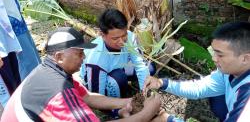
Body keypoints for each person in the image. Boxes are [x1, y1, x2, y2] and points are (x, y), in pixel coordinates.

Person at [1, 27, 161, 122]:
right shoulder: (58, 92)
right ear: (59, 57)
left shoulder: (50, 71)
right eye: (79, 53)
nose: (84, 57)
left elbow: (87, 97)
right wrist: (147, 112)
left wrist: (130, 101)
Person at [144, 21, 250, 122]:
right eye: (214, 52)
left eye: (220, 55)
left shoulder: (246, 100)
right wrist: (162, 83)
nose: (213, 58)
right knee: (217, 99)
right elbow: (199, 87)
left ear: (245, 59)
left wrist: (169, 120)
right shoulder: (228, 73)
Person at [80, 8, 156, 98]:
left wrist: (144, 95)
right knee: (119, 78)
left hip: (119, 67)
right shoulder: (96, 59)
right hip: (96, 79)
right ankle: (120, 96)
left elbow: (140, 65)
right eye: (115, 38)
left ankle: (127, 87)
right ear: (102, 35)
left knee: (149, 67)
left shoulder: (130, 37)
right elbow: (96, 95)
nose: (122, 42)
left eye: (124, 35)